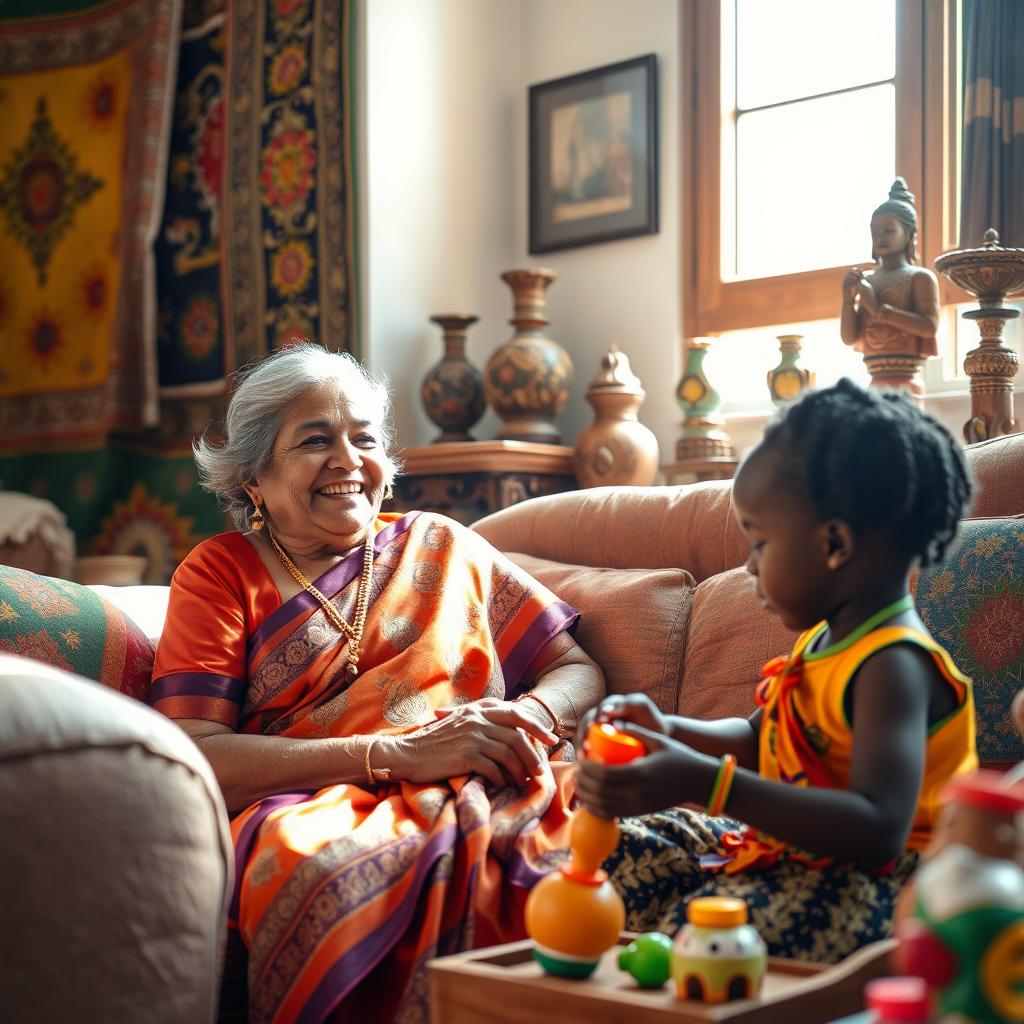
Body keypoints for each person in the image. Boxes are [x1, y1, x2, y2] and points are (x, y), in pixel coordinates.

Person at [148, 342, 605, 1023]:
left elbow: (575, 669)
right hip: (310, 803)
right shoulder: (219, 574)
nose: (348, 461)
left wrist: (525, 722)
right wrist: (396, 755)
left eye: (364, 438)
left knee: (588, 840)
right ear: (254, 478)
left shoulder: (442, 545)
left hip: (490, 781)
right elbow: (197, 753)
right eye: (314, 440)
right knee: (323, 871)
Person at [575, 379, 978, 963]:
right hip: (786, 854)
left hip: (889, 887)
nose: (748, 565)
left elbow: (877, 829)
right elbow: (759, 739)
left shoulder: (894, 664)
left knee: (722, 935)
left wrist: (704, 783)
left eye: (760, 543)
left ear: (834, 543)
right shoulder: (824, 642)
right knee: (623, 850)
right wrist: (664, 730)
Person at [840, 178, 940, 395]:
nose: (879, 237)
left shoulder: (920, 278)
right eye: (875, 232)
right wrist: (848, 301)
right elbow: (850, 338)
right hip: (874, 381)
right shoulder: (868, 280)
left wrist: (878, 310)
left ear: (910, 234)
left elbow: (928, 326)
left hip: (908, 382)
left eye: (888, 230)